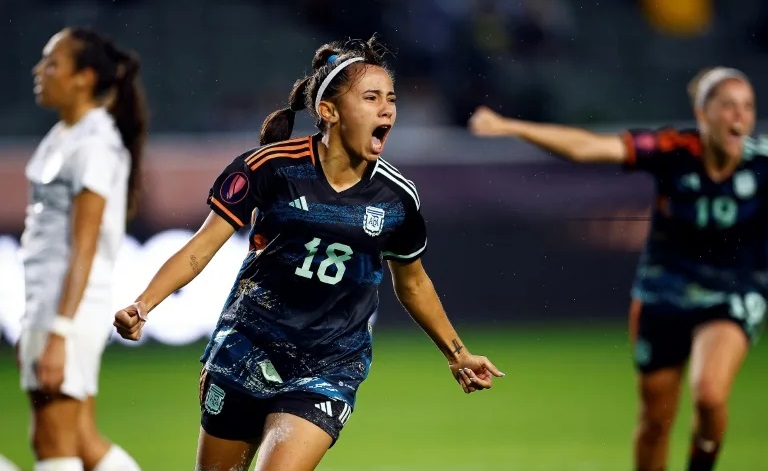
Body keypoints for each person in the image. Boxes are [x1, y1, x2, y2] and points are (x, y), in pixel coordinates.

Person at [113, 35, 504, 471]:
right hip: (247, 347)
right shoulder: (269, 168)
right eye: (371, 97)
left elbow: (412, 283)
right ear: (329, 111)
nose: (387, 109)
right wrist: (143, 304)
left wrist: (457, 353)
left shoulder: (397, 198)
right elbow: (199, 249)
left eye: (390, 99)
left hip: (330, 362)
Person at [468, 67, 766, 471]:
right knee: (655, 421)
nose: (739, 117)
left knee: (710, 395)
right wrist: (511, 125)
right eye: (727, 106)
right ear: (702, 113)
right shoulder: (673, 149)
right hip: (663, 293)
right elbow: (587, 147)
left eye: (747, 107)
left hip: (731, 293)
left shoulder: (761, 165)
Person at [16, 27, 147, 471]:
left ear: (83, 78)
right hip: (51, 305)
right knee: (81, 438)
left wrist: (57, 330)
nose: (39, 71)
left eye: (52, 63)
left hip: (66, 308)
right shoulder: (66, 135)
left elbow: (83, 247)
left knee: (53, 442)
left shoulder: (93, 144)